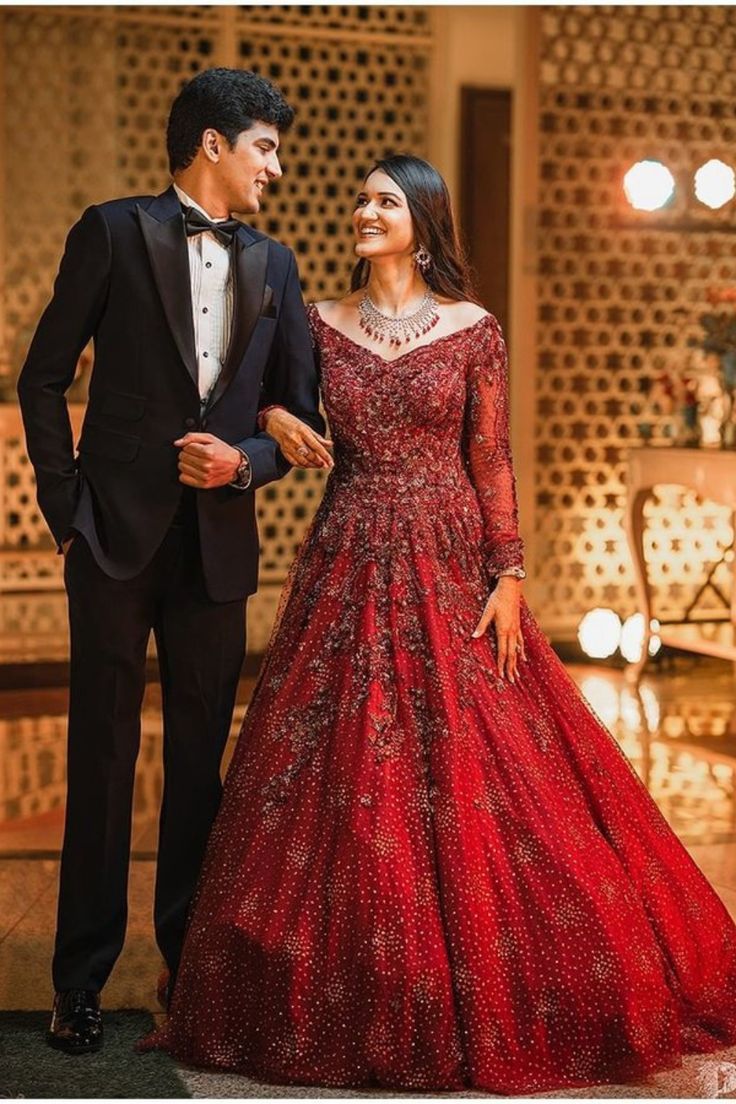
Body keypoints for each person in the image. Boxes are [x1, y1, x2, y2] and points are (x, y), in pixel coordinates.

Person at [136, 155, 736, 1094]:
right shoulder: (317, 320)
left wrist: (509, 575)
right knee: (341, 764)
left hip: (454, 558)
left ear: (424, 218)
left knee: (488, 759)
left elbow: (489, 456)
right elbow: (269, 399)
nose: (364, 209)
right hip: (348, 552)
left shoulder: (473, 331)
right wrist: (279, 423)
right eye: (360, 197)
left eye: (384, 199)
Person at [17, 67, 331, 1055]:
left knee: (202, 766)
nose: (275, 168)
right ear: (212, 144)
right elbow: (42, 377)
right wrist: (67, 510)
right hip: (110, 540)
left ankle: (187, 973)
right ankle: (79, 983)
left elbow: (304, 423)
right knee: (101, 758)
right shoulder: (111, 231)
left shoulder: (276, 266)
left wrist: (247, 461)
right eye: (265, 148)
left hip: (216, 551)